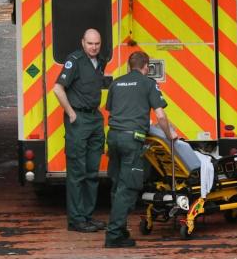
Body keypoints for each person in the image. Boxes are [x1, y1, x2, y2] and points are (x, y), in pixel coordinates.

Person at [103, 51, 175, 248]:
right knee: (127, 188)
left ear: (129, 66)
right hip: (131, 141)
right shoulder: (148, 83)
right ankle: (114, 236)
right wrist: (170, 135)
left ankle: (121, 230)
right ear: (146, 67)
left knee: (117, 186)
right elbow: (160, 115)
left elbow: (112, 109)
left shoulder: (116, 83)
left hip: (114, 137)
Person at [53, 28, 108, 233]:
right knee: (77, 172)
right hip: (79, 119)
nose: (93, 47)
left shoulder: (99, 61)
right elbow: (58, 88)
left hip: (94, 118)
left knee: (92, 172)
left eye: (97, 44)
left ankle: (87, 216)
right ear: (82, 43)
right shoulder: (74, 60)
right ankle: (76, 220)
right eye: (90, 43)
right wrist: (71, 113)